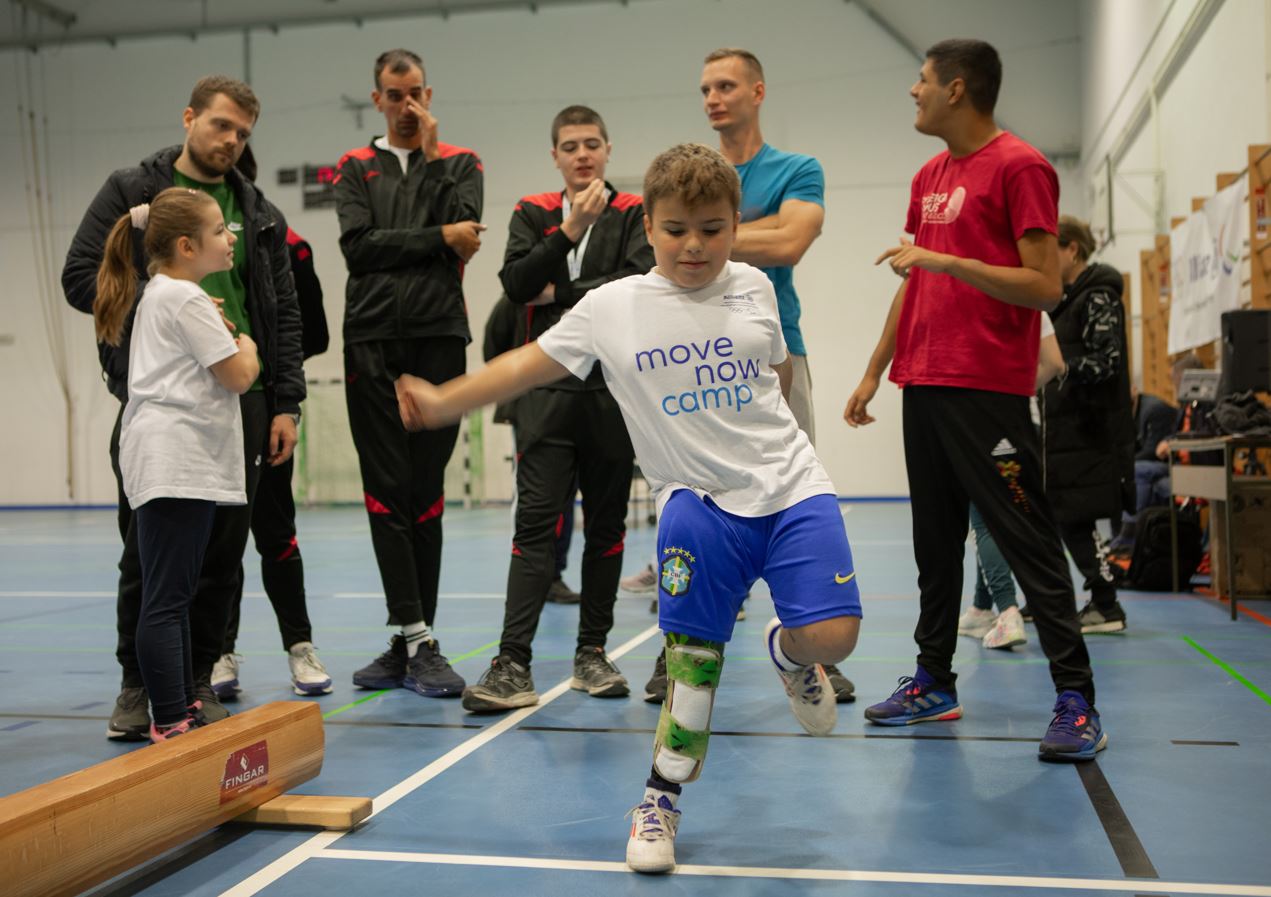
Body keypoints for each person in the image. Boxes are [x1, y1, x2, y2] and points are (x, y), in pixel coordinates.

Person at [397, 143, 863, 873]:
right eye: (676, 228)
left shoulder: (754, 288)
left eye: (712, 228)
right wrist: (443, 399)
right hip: (697, 505)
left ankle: (788, 652)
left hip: (790, 485)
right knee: (693, 676)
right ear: (646, 225)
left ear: (735, 226)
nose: (694, 245)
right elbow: (524, 366)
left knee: (833, 636)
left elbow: (774, 374)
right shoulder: (611, 307)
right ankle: (660, 800)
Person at [845, 39, 1106, 761]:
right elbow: (914, 278)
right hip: (922, 383)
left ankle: (1076, 699)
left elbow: (1044, 284)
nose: (912, 91)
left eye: (920, 80)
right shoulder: (929, 172)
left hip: (986, 389)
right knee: (934, 545)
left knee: (1026, 541)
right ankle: (933, 681)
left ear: (956, 89)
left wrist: (945, 259)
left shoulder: (1022, 166)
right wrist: (874, 369)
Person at [61, 75, 306, 740]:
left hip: (235, 410)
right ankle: (145, 690)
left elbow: (281, 310)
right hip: (171, 410)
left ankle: (193, 681)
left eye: (244, 133)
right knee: (150, 565)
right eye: (221, 125)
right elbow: (84, 277)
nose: (231, 141)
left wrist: (287, 402)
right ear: (190, 117)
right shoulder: (135, 193)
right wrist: (184, 319)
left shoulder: (257, 209)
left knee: (220, 557)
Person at [461, 105, 651, 712]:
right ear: (556, 156)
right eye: (570, 146)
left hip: (613, 394)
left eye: (592, 144)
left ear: (608, 149)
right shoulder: (533, 211)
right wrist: (567, 234)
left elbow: (639, 284)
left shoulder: (631, 212)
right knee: (534, 528)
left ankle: (592, 653)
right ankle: (512, 662)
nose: (582, 155)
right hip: (545, 393)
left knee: (607, 528)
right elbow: (516, 284)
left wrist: (562, 294)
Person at [334, 48, 483, 698]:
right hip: (369, 339)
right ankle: (415, 637)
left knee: (424, 492)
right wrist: (435, 236)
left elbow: (467, 230)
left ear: (428, 92)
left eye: (415, 93)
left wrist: (426, 153)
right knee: (385, 490)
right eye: (394, 96)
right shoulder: (352, 167)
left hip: (439, 338)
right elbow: (358, 250)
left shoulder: (462, 162)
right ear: (376, 100)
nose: (405, 105)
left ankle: (412, 637)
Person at [94, 187, 260, 741]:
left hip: (174, 458)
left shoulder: (170, 294)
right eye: (219, 231)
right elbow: (238, 374)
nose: (230, 237)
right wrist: (249, 343)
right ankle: (170, 718)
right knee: (166, 599)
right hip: (174, 458)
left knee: (176, 594)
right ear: (187, 245)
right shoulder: (184, 299)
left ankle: (178, 706)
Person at [212, 144, 332, 699]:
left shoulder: (287, 244)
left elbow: (313, 333)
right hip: (206, 416)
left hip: (264, 408)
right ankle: (219, 651)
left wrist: (279, 392)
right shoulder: (186, 259)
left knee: (276, 534)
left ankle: (300, 647)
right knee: (221, 540)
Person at [1039, 215, 1135, 635]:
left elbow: (1107, 362)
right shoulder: (1066, 300)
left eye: (1049, 250)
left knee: (1074, 519)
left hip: (1090, 429)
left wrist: (1060, 369)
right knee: (1062, 518)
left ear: (1072, 249)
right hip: (1066, 429)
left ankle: (1105, 603)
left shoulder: (1097, 297)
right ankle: (1084, 600)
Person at [483, 293, 582, 606]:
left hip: (575, 408)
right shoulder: (513, 301)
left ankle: (554, 574)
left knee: (566, 498)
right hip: (530, 412)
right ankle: (539, 577)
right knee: (533, 501)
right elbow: (492, 350)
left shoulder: (580, 298)